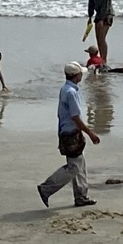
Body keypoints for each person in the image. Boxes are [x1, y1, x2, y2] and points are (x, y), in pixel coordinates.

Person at [36, 62, 100, 208]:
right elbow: (75, 117)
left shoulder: (65, 89)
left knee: (80, 164)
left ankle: (81, 196)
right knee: (74, 167)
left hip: (67, 131)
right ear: (77, 75)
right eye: (81, 73)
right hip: (71, 133)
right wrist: (90, 133)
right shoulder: (71, 92)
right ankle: (46, 188)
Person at [87, 0, 114, 65]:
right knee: (98, 38)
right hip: (98, 14)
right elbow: (90, 4)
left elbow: (106, 8)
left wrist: (101, 20)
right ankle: (100, 59)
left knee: (102, 38)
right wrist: (90, 17)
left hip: (107, 15)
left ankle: (104, 60)